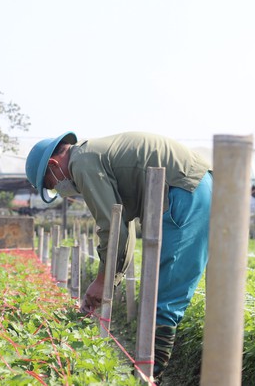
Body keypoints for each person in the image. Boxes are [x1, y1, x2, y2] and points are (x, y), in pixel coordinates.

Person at [25, 131, 212, 381]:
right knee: (160, 289)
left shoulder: (81, 162)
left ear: (53, 165)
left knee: (166, 293)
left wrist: (103, 280)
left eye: (51, 184)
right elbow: (121, 223)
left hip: (186, 191)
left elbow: (111, 228)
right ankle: (147, 372)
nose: (58, 189)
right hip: (194, 185)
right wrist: (110, 281)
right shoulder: (92, 154)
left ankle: (147, 375)